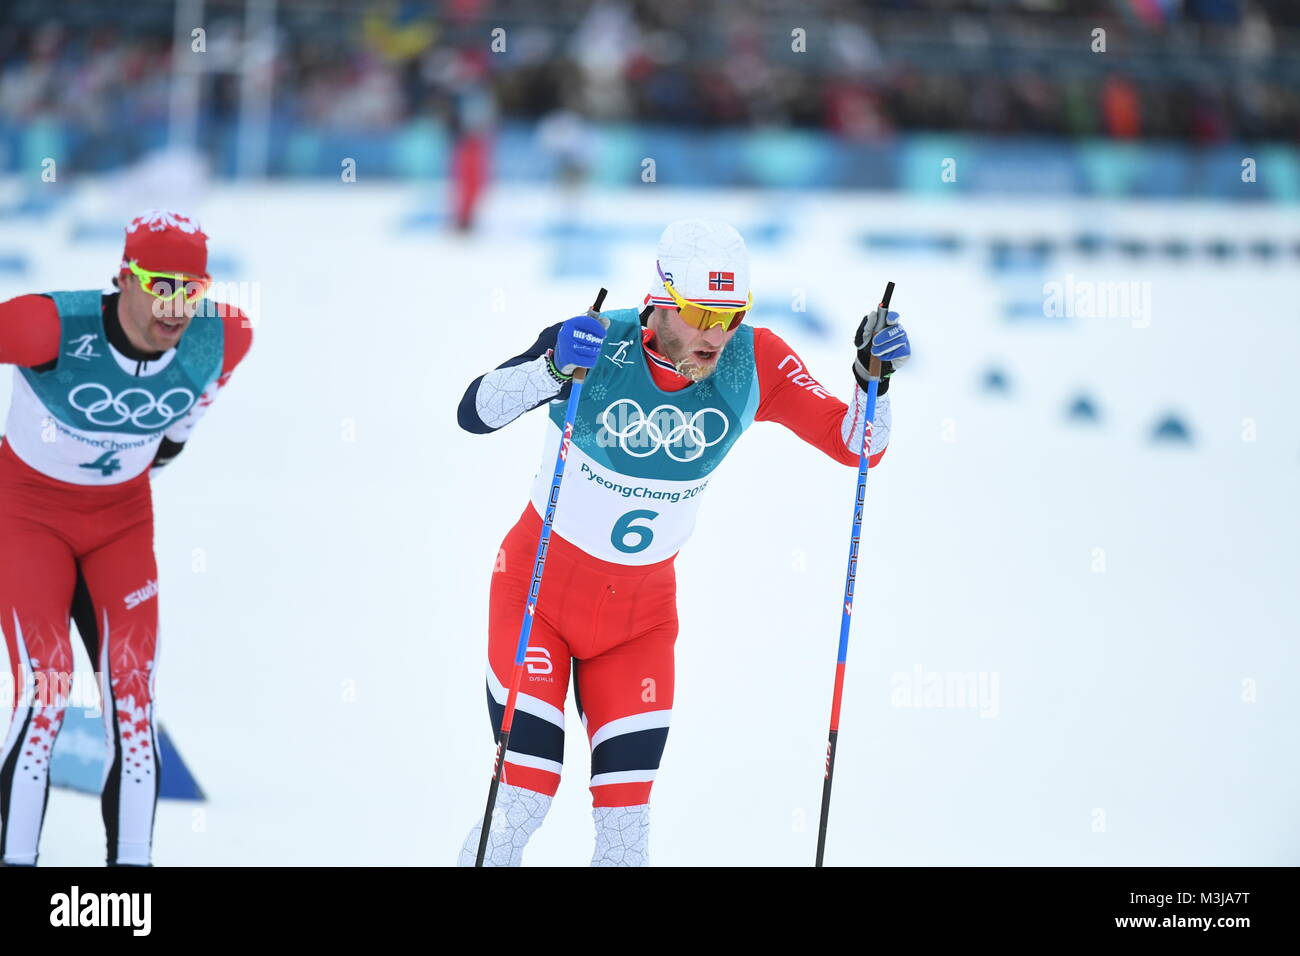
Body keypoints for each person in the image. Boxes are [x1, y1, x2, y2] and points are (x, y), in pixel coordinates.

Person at [455, 219, 912, 866]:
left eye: (730, 316)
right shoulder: (599, 341)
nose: (715, 335)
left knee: (625, 835)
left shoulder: (757, 360)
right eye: (699, 314)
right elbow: (475, 412)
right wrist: (553, 367)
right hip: (539, 600)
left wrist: (874, 379)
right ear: (661, 301)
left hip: (639, 623)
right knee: (523, 802)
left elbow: (857, 444)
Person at [0, 209, 252, 866]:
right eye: (160, 283)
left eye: (191, 289)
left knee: (134, 702)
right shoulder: (48, 324)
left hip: (121, 524)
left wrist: (147, 450)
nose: (176, 305)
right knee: (47, 690)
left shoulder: (223, 338)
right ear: (124, 278)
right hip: (29, 518)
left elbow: (181, 427)